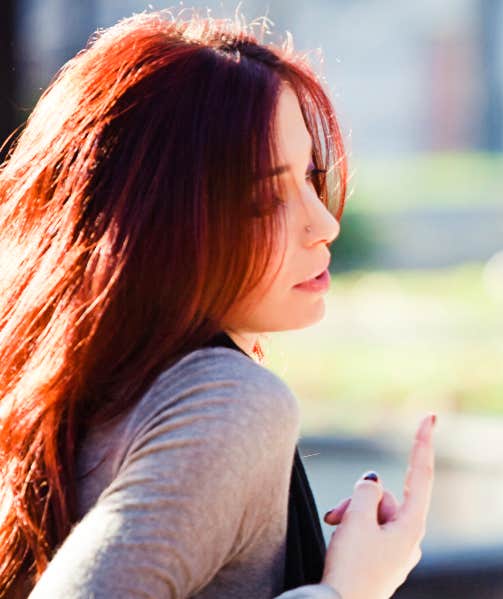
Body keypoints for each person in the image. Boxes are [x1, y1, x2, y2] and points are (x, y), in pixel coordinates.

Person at [0, 12, 434, 599]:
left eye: (311, 178)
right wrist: (348, 591)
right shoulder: (229, 403)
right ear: (157, 227)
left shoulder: (74, 390)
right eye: (264, 200)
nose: (324, 224)